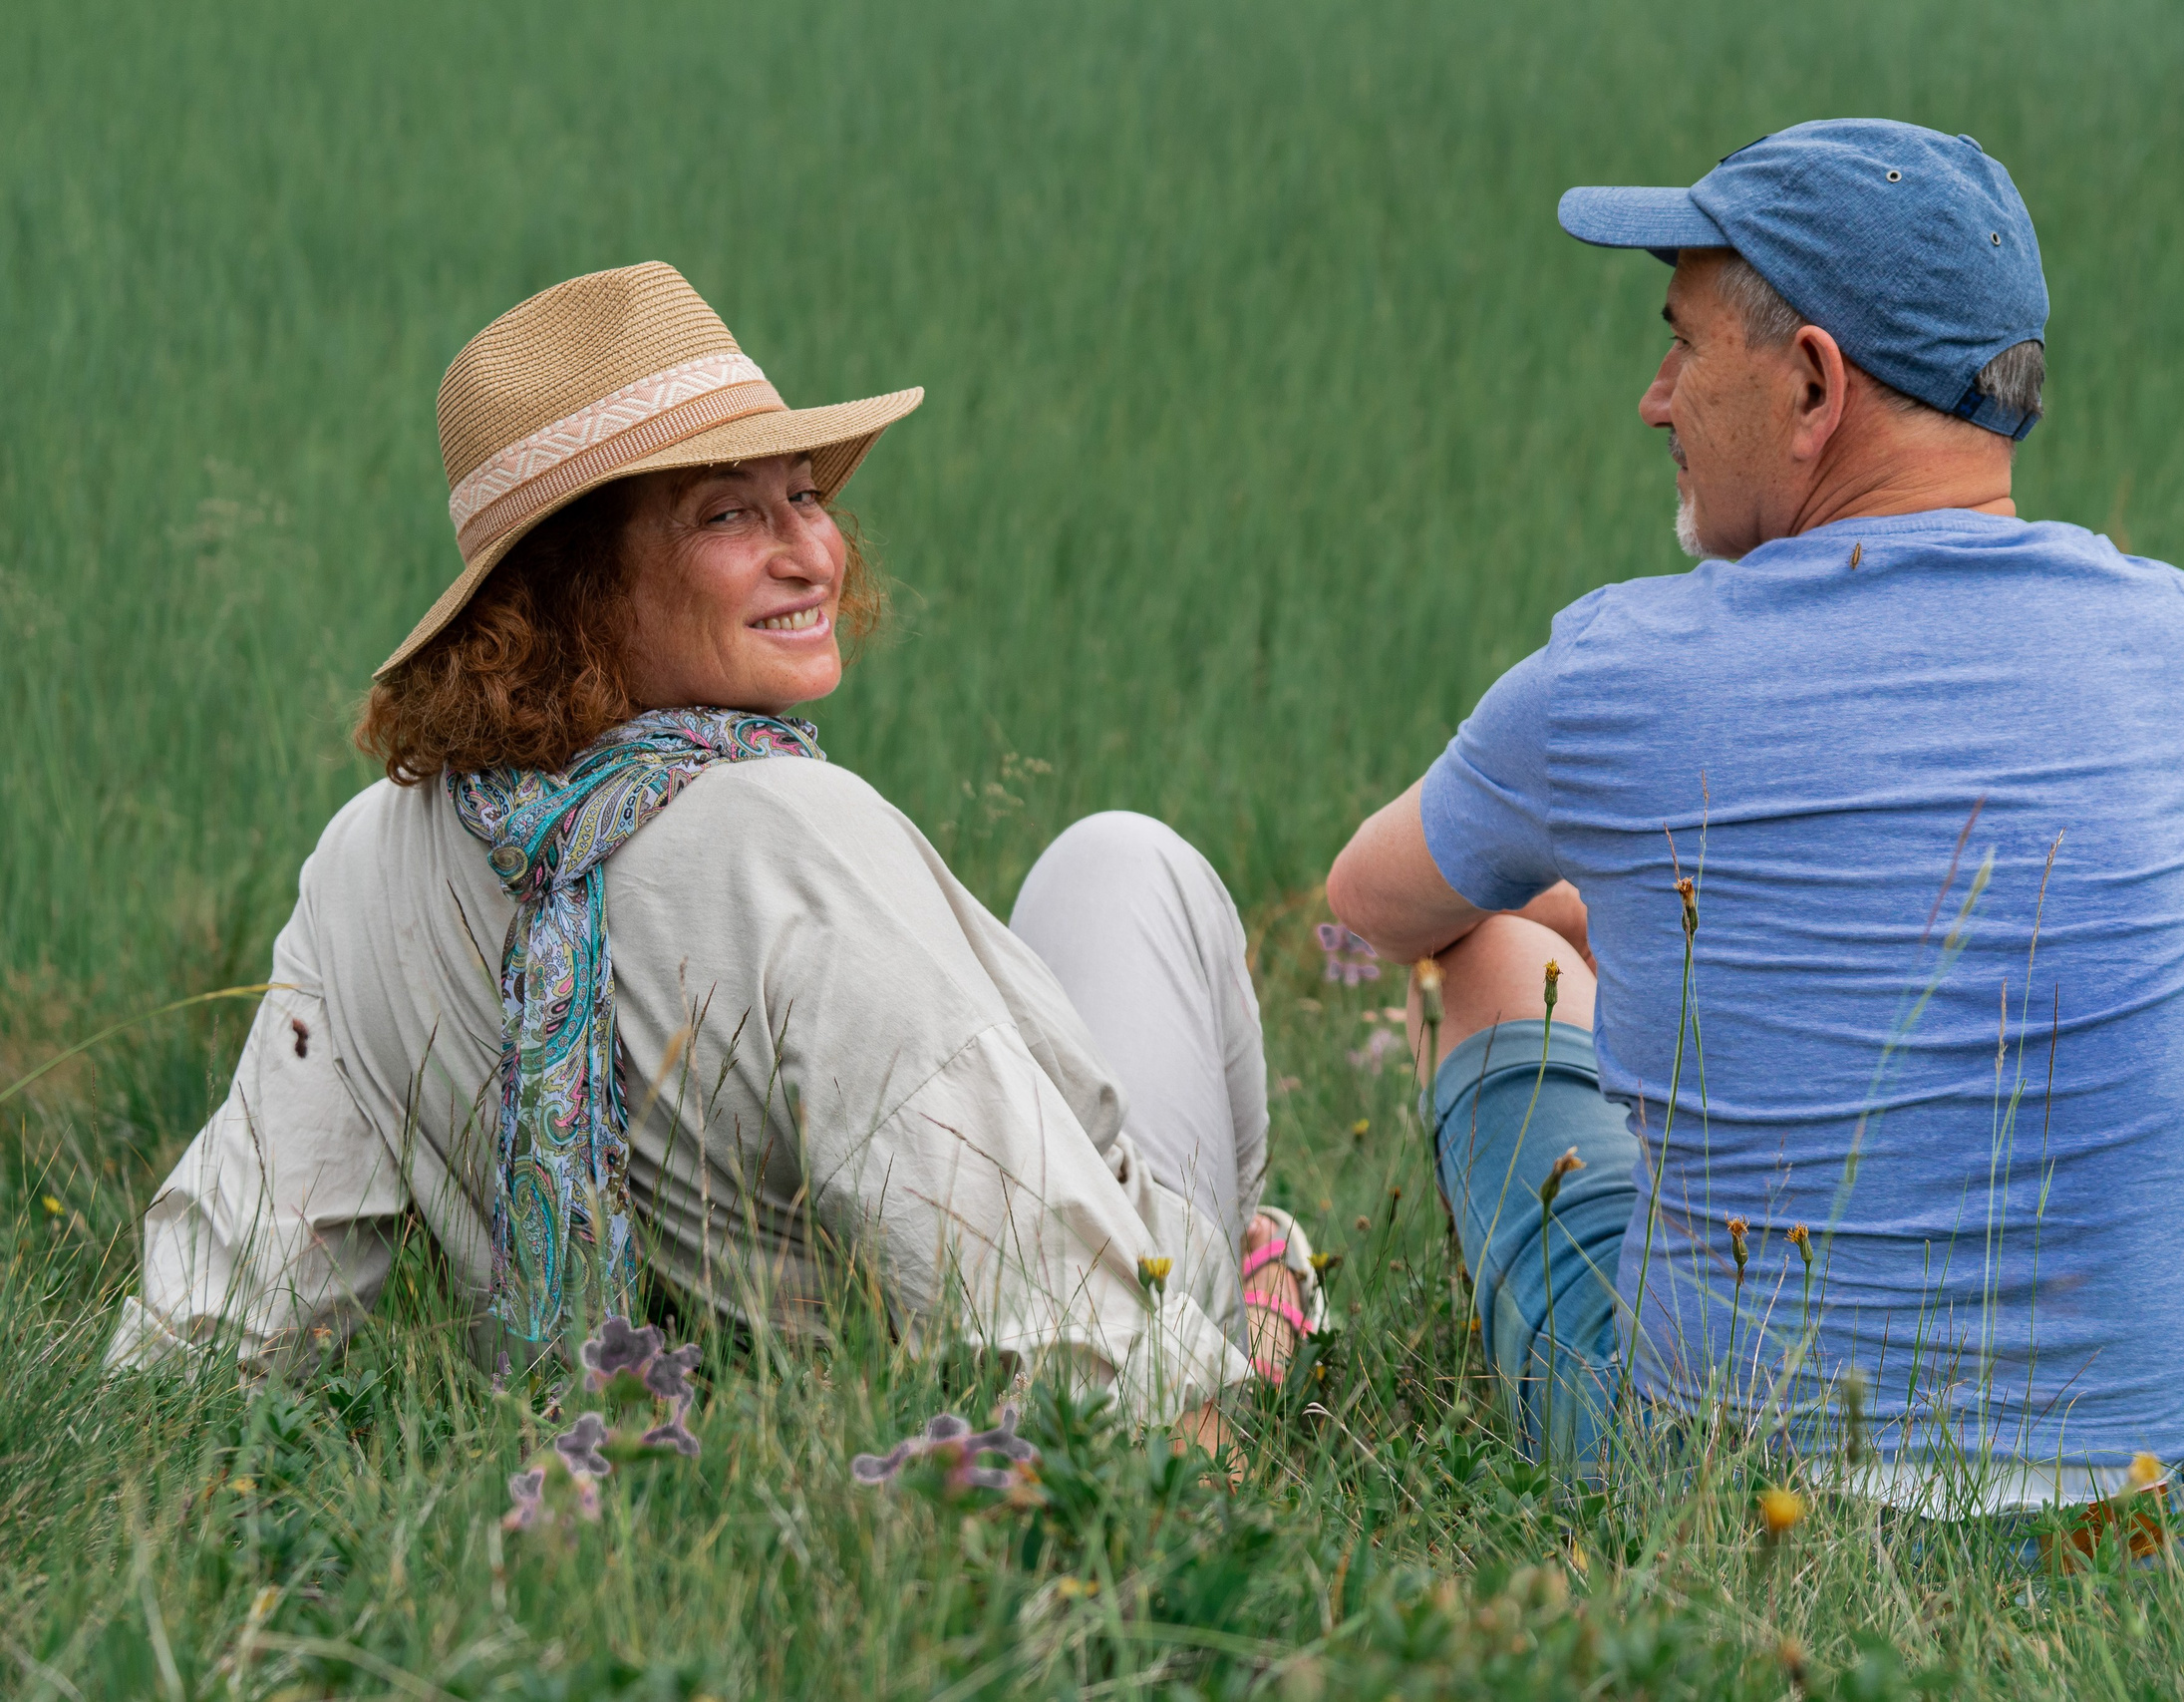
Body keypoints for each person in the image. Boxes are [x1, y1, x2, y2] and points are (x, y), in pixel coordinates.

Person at [110, 263, 1321, 1448]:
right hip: (1060, 1334)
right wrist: (1203, 1429)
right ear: (573, 586)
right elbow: (1085, 1347)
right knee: (1123, 864)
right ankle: (1261, 1284)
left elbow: (213, 1328)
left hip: (639, 1446)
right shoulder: (791, 842)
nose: (813, 553)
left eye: (804, 495)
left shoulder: (370, 856)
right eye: (729, 513)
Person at [1328, 121, 2184, 1521]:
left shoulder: (1623, 678)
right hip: (2179, 1493)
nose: (1655, 399)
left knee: (1489, 957)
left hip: (1745, 1490)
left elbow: (1373, 904)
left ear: (1816, 383)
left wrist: (1573, 917)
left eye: (1683, 345)